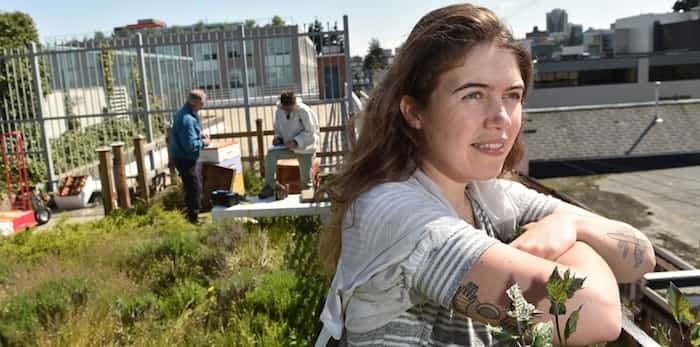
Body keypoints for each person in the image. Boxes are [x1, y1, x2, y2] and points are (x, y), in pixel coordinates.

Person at [316, 4, 656, 347]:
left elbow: (641, 256)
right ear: (415, 111)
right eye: (473, 95)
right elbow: (597, 315)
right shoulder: (392, 211)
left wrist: (570, 227)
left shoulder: (488, 195)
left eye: (512, 95)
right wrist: (579, 238)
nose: (501, 118)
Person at [258, 91, 320, 199]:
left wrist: (296, 141)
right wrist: (278, 138)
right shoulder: (279, 111)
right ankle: (269, 186)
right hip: (287, 147)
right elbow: (278, 129)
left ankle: (308, 205)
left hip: (306, 148)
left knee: (306, 182)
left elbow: (311, 133)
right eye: (285, 107)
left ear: (294, 103)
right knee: (271, 155)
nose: (287, 110)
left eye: (289, 107)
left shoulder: (304, 111)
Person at [168, 89, 210, 224]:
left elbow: (189, 137)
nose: (204, 104)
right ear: (195, 102)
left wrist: (199, 136)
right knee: (194, 187)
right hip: (185, 158)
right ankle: (193, 219)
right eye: (203, 101)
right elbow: (190, 145)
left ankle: (194, 215)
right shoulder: (187, 119)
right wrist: (204, 142)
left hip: (186, 157)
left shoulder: (189, 115)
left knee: (194, 185)